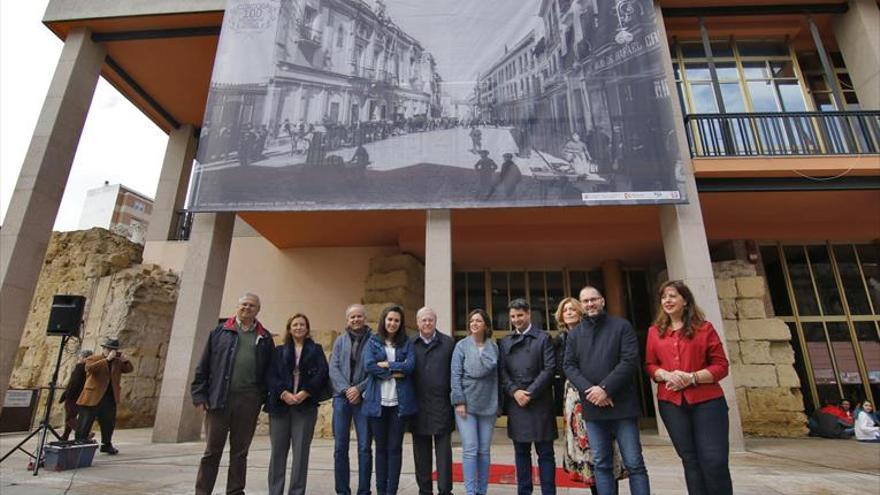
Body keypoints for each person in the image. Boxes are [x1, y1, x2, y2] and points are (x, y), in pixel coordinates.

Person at [645, 280, 732, 495]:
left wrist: (692, 378)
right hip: (672, 404)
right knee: (690, 460)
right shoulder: (655, 332)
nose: (667, 300)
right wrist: (664, 374)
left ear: (685, 300)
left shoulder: (705, 328)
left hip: (707, 402)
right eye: (664, 297)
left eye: (673, 296)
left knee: (714, 460)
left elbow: (721, 366)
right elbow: (650, 364)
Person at [564, 286, 650, 495]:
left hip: (622, 406)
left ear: (602, 301)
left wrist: (605, 389)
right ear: (581, 305)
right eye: (585, 301)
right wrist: (591, 392)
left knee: (634, 463)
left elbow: (629, 361)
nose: (590, 304)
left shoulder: (622, 326)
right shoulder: (575, 334)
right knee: (601, 463)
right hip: (593, 408)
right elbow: (569, 366)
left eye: (594, 299)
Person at [191, 293, 275, 495]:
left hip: (248, 401)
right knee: (212, 451)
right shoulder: (220, 332)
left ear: (258, 310)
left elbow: (270, 371)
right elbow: (203, 366)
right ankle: (202, 492)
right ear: (237, 307)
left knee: (240, 452)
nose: (247, 308)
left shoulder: (265, 337)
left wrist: (262, 398)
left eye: (252, 305)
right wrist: (200, 395)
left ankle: (235, 491)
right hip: (219, 399)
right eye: (244, 304)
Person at [555, 298, 623, 495]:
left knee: (602, 449)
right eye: (565, 310)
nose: (568, 312)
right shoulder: (559, 339)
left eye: (572, 309)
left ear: (580, 311)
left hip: (596, 392)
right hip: (573, 399)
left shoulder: (593, 332)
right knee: (585, 454)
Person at [266, 313, 329, 495]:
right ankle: (275, 491)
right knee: (278, 452)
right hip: (280, 407)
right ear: (289, 328)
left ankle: (296, 491)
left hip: (305, 407)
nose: (298, 327)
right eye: (295, 325)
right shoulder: (278, 351)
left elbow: (322, 374)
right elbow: (270, 375)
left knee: (301, 453)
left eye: (302, 325)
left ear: (307, 328)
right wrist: (284, 393)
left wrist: (305, 392)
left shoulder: (316, 350)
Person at [499, 298, 557, 495]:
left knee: (546, 454)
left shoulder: (544, 338)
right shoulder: (505, 341)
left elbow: (549, 369)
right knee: (521, 453)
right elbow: (502, 372)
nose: (516, 319)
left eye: (520, 315)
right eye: (513, 316)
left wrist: (530, 393)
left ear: (528, 314)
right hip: (517, 403)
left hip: (540, 403)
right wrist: (515, 391)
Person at [362, 305, 417, 495]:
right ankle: (381, 490)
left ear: (400, 323)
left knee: (395, 448)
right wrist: (394, 372)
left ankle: (392, 490)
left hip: (398, 405)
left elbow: (410, 366)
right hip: (377, 403)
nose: (392, 323)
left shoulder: (406, 343)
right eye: (390, 319)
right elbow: (369, 365)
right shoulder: (372, 341)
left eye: (396, 320)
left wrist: (387, 365)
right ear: (384, 321)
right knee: (381, 449)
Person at [451, 309, 499, 495]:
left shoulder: (494, 347)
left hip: (488, 403)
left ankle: (482, 490)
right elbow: (455, 375)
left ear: (486, 324)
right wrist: (459, 401)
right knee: (470, 449)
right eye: (472, 320)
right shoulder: (461, 346)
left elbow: (496, 378)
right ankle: (471, 492)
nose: (474, 323)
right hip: (466, 405)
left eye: (478, 320)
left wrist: (497, 404)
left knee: (484, 451)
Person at [329, 304, 374, 495]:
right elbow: (334, 367)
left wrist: (359, 389)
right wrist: (347, 390)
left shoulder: (374, 341)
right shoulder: (340, 341)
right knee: (340, 447)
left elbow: (376, 370)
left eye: (359, 316)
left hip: (364, 399)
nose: (356, 320)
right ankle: (342, 491)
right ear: (347, 320)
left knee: (364, 447)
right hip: (341, 399)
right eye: (352, 317)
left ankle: (364, 491)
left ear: (365, 318)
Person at [411, 307, 455, 495]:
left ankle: (445, 490)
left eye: (430, 320)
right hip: (417, 406)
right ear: (417, 322)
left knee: (444, 454)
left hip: (442, 405)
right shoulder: (409, 343)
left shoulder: (448, 343)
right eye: (423, 320)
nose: (427, 323)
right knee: (421, 454)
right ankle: (425, 490)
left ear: (435, 321)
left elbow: (455, 374)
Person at [75, 338, 133, 454]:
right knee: (85, 421)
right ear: (104, 349)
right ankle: (79, 443)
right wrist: (107, 360)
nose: (112, 351)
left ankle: (106, 444)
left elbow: (129, 369)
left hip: (109, 397)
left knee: (108, 422)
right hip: (93, 396)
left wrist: (125, 360)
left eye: (114, 350)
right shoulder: (94, 358)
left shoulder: (117, 362)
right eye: (109, 349)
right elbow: (89, 369)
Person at [59, 349, 92, 441]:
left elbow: (74, 383)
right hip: (81, 395)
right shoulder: (89, 368)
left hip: (73, 396)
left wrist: (67, 394)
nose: (79, 358)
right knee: (70, 416)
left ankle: (84, 433)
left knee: (70, 418)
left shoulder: (80, 367)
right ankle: (65, 436)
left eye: (80, 357)